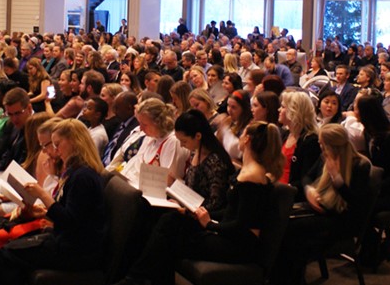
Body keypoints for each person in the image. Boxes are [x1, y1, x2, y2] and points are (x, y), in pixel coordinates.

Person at [115, 121, 283, 285]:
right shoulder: (250, 171)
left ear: (247, 139)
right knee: (171, 220)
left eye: (242, 134)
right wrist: (194, 214)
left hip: (239, 246)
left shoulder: (252, 175)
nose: (239, 137)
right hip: (230, 235)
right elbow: (231, 211)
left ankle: (135, 278)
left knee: (170, 236)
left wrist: (209, 224)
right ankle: (137, 277)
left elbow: (242, 224)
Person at [0, 119, 107, 284]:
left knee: (3, 256)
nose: (56, 150)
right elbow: (69, 213)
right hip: (67, 241)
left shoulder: (83, 177)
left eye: (58, 144)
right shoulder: (76, 171)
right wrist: (44, 212)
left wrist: (43, 195)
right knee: (2, 251)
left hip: (77, 251)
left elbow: (70, 221)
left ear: (74, 141)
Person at [273, 123, 372, 284]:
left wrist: (336, 178)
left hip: (341, 220)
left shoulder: (359, 166)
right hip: (322, 208)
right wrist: (309, 191)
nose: (320, 147)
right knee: (282, 223)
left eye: (322, 144)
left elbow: (356, 204)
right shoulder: (325, 156)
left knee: (291, 234)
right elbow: (307, 178)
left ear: (333, 145)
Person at [174, 110, 235, 215]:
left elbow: (216, 202)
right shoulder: (195, 152)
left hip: (205, 216)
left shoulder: (215, 162)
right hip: (191, 208)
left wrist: (187, 211)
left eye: (184, 141)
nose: (181, 145)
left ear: (198, 136)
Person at [279, 91, 321, 192]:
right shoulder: (285, 134)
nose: (279, 110)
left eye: (283, 107)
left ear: (294, 111)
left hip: (290, 194)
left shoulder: (311, 141)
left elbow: (306, 179)